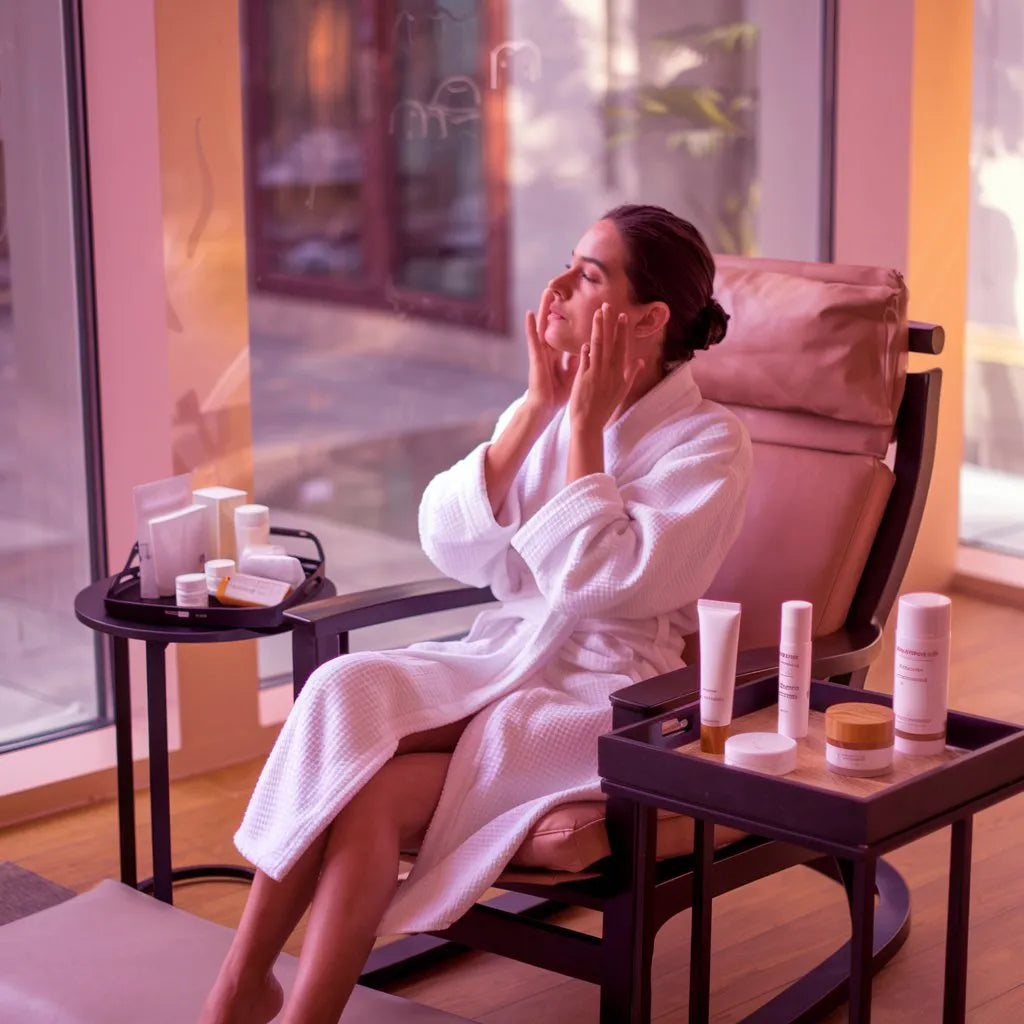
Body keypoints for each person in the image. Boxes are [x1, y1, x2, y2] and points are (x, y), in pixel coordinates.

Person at [201, 204, 752, 1024]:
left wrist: (585, 430)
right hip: (503, 654)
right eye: (568, 263)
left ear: (648, 319)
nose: (556, 286)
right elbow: (457, 549)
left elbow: (604, 584)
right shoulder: (558, 410)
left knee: (372, 797)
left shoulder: (711, 444)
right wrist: (535, 409)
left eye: (588, 275)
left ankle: (299, 1012)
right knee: (342, 689)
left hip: (605, 698)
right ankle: (243, 981)